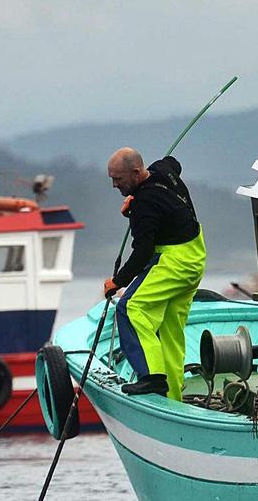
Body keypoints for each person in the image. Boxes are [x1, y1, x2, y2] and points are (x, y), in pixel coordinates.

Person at [105, 147, 206, 400]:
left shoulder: (144, 205)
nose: (114, 185)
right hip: (195, 257)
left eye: (118, 179)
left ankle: (152, 378)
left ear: (137, 172)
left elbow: (142, 253)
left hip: (173, 262)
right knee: (169, 330)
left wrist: (116, 282)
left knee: (130, 309)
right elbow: (174, 161)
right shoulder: (163, 169)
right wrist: (134, 199)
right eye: (111, 178)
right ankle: (172, 397)